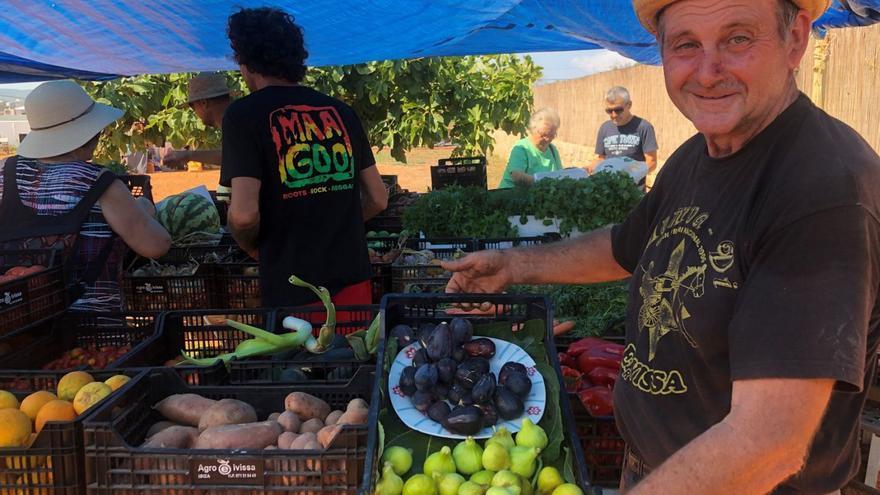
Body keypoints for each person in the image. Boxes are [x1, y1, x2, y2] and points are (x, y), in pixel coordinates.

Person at [443, 0, 880, 493]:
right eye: (686, 45)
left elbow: (768, 445)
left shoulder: (823, 190)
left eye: (738, 39)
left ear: (795, 38)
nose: (709, 72)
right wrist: (513, 265)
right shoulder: (698, 154)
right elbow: (624, 247)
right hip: (661, 468)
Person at [221, 7, 388, 307]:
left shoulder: (242, 115)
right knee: (353, 353)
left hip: (294, 288)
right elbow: (378, 198)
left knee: (304, 356)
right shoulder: (342, 112)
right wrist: (336, 225)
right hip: (353, 281)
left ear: (246, 64)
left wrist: (251, 247)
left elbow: (244, 214)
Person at [0, 80, 171, 311]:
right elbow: (156, 245)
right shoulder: (99, 181)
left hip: (18, 328)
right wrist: (143, 208)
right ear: (88, 134)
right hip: (96, 331)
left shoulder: (4, 173)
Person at [162, 72, 232, 170]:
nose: (195, 113)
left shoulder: (236, 124)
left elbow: (232, 157)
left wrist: (188, 155)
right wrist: (188, 155)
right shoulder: (236, 121)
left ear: (204, 103)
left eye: (193, 107)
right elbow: (230, 156)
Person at [589, 86, 658, 174]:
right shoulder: (604, 128)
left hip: (633, 186)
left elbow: (651, 162)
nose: (613, 115)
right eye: (609, 111)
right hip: (608, 184)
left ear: (629, 105)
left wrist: (631, 175)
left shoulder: (644, 127)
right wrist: (587, 169)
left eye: (618, 110)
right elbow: (601, 158)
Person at [498, 108, 563, 188]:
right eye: (543, 134)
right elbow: (517, 176)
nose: (547, 139)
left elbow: (560, 175)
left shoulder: (552, 150)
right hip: (513, 196)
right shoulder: (522, 148)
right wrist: (544, 183)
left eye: (552, 135)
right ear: (533, 129)